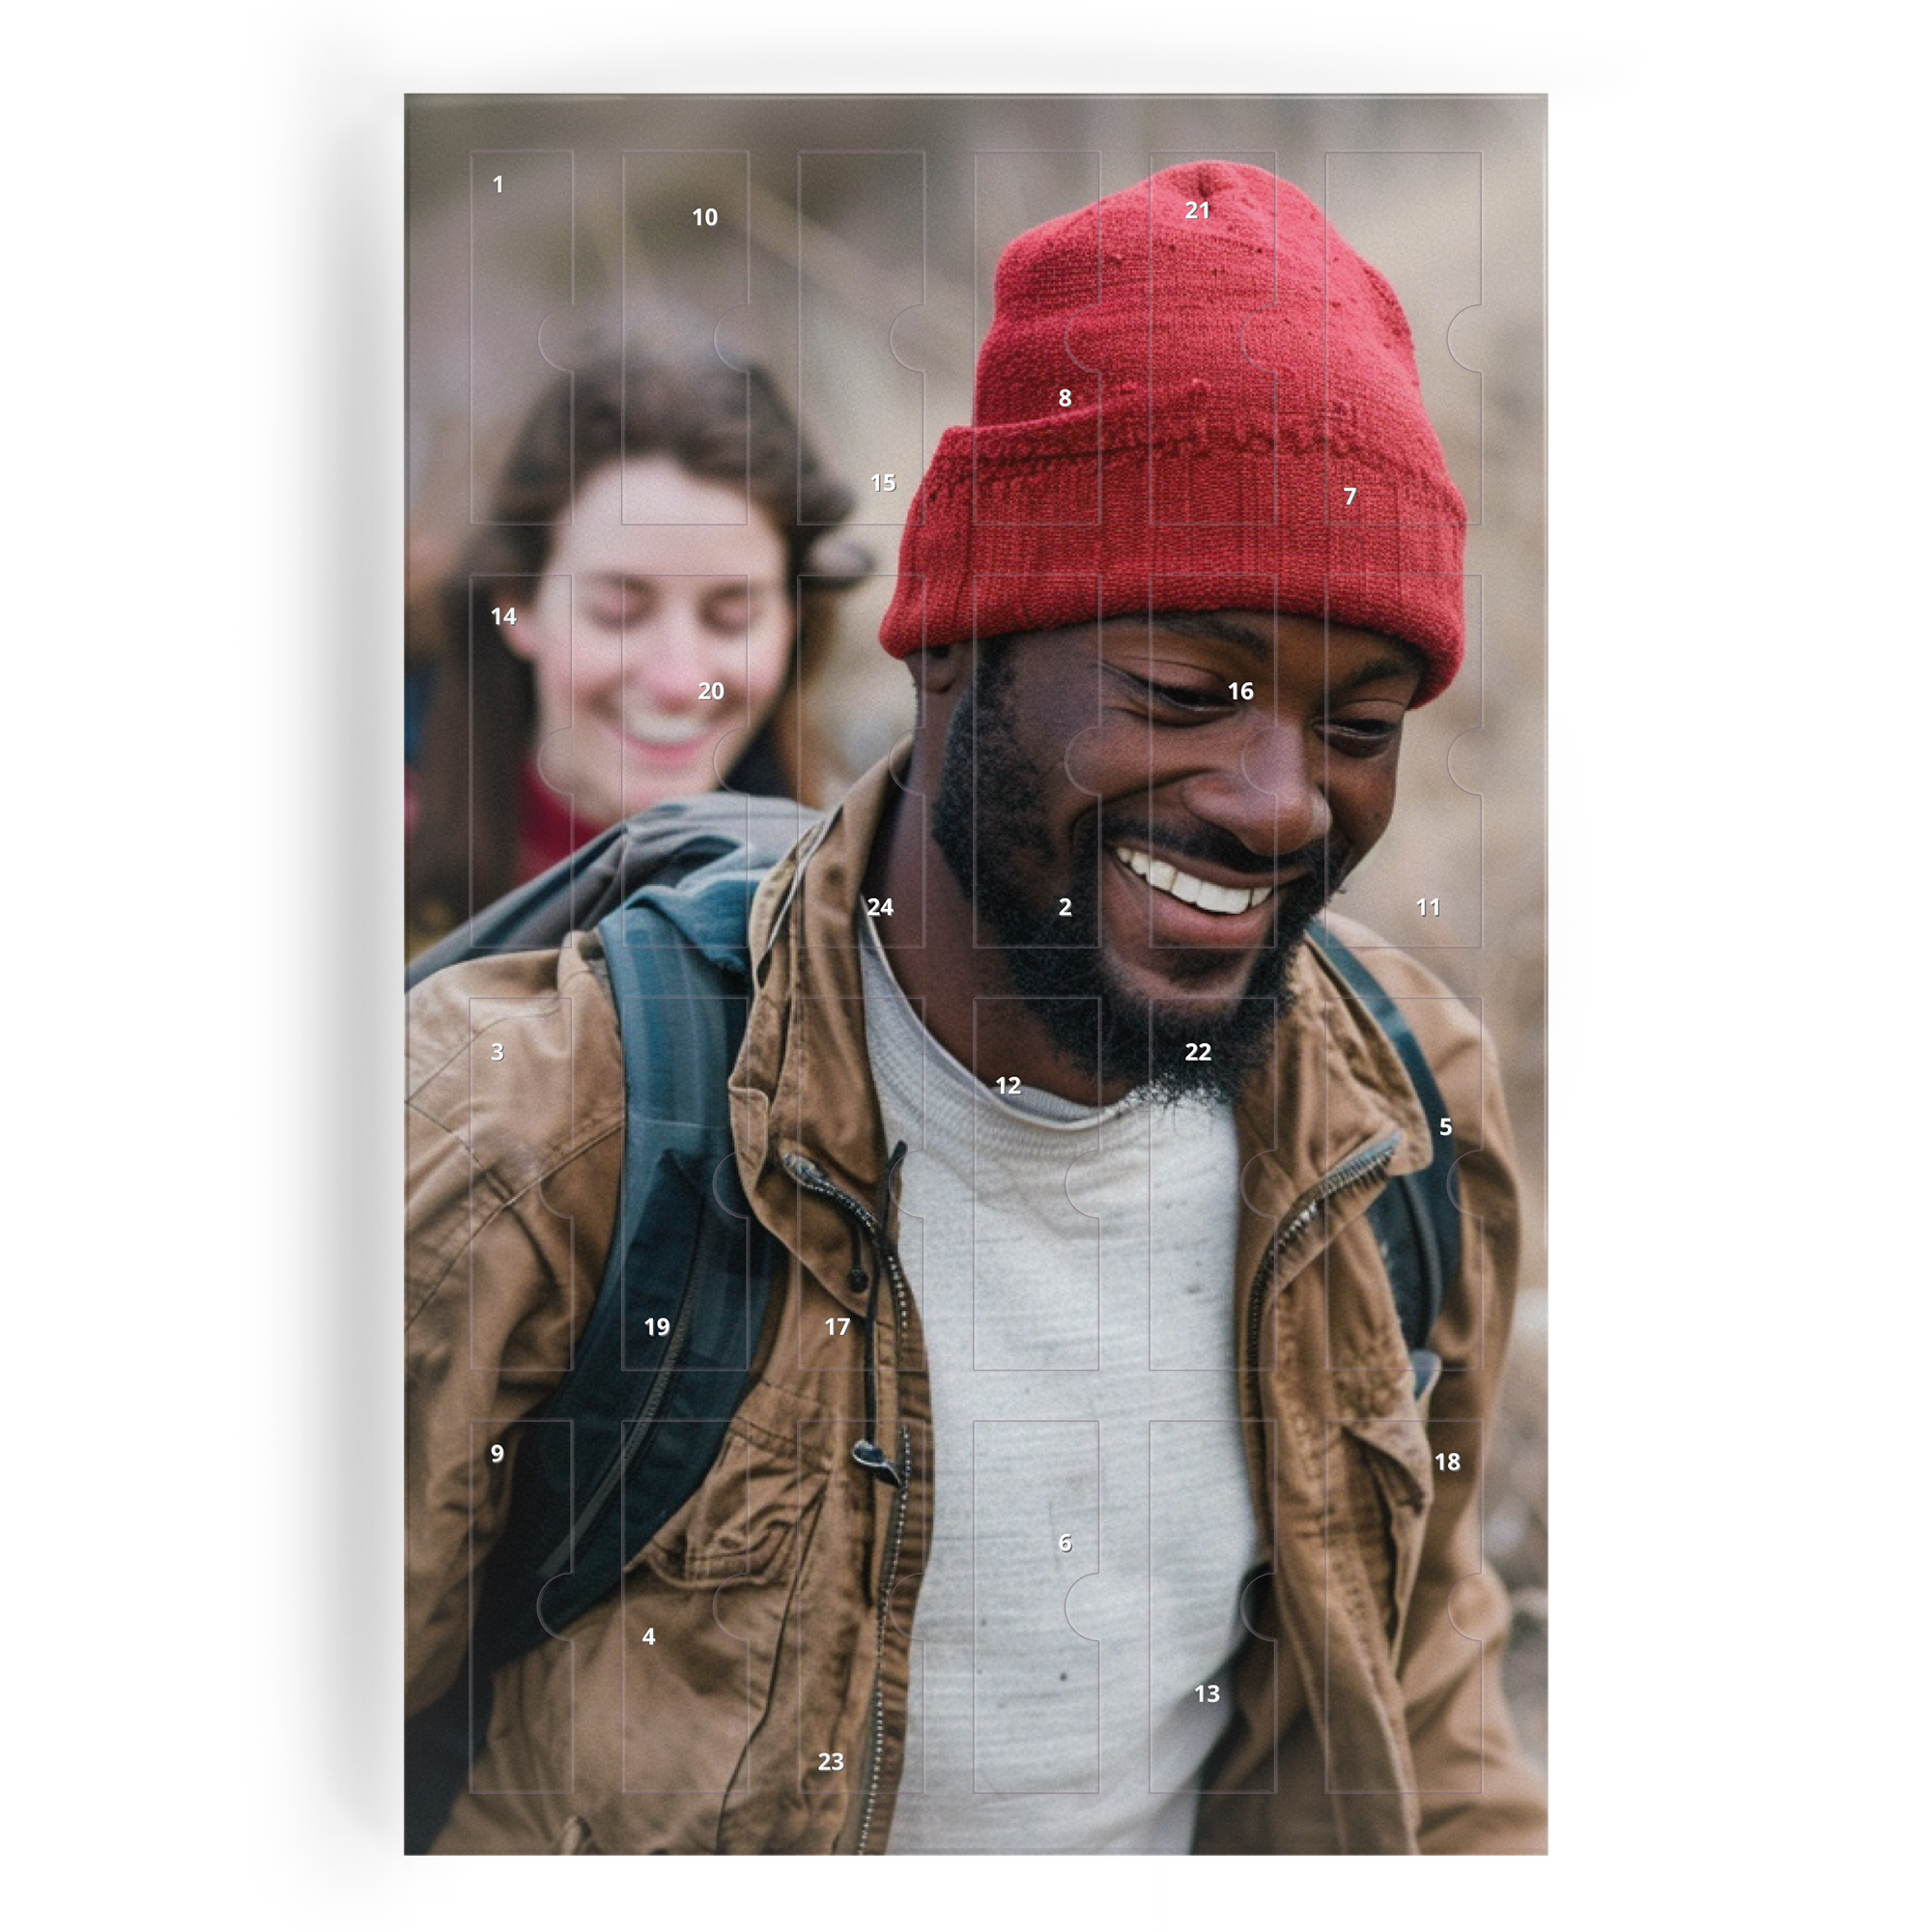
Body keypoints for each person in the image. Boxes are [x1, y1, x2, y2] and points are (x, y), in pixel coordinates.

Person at [406, 161, 1548, 1855]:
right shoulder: (532, 1136)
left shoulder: (1405, 1114)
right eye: (1185, 690)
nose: (1282, 801)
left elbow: (1427, 1715)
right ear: (954, 648)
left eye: (1362, 724)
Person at [405, 351, 867, 954]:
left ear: (792, 623)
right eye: (618, 613)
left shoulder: (850, 894)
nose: (678, 680)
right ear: (519, 605)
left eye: (732, 617)